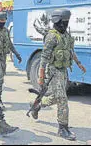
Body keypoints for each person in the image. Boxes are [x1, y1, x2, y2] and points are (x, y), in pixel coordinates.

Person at [30, 9, 86, 141]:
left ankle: (37, 105)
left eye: (67, 22)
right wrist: (41, 76)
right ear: (57, 21)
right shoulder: (51, 36)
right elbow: (44, 58)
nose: (65, 25)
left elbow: (70, 51)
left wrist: (79, 64)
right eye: (63, 22)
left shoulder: (65, 35)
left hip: (63, 71)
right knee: (62, 99)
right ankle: (62, 128)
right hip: (53, 71)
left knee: (57, 97)